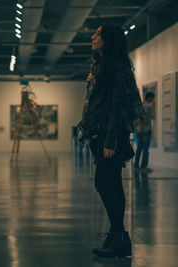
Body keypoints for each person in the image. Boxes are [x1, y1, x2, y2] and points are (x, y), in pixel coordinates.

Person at [76, 24, 145, 258]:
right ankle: (119, 239)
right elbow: (101, 101)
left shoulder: (116, 69)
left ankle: (118, 235)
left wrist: (111, 140)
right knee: (112, 182)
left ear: (109, 40)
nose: (93, 36)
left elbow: (118, 107)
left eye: (98, 33)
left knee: (104, 183)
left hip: (109, 134)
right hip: (101, 132)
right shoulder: (101, 68)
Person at [134, 91, 155, 173]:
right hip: (146, 130)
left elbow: (135, 121)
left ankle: (136, 166)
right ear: (149, 97)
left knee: (139, 149)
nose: (153, 100)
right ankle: (143, 167)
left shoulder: (139, 106)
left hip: (139, 130)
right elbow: (145, 120)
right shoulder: (148, 107)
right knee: (145, 150)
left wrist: (136, 131)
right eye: (152, 98)